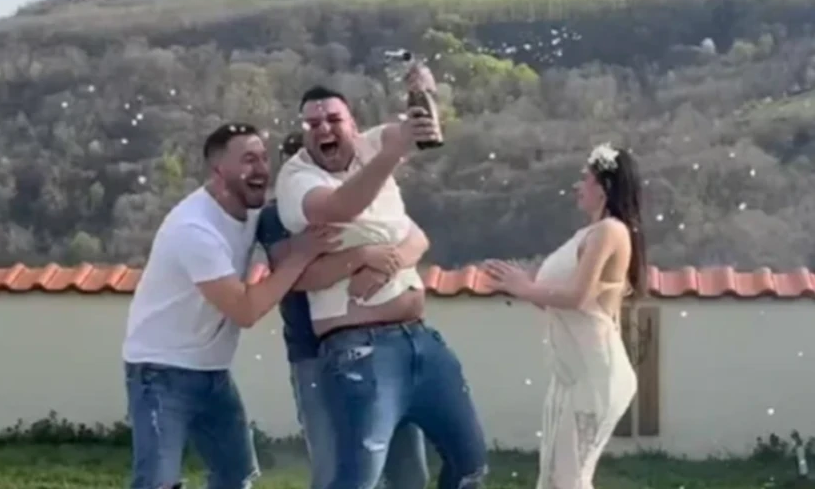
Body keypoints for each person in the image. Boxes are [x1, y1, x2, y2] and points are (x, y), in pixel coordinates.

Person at [273, 79, 488, 489]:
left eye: (333, 119)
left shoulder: (371, 149)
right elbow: (338, 208)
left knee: (470, 463)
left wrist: (421, 107)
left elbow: (417, 236)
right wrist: (391, 157)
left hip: (421, 340)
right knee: (358, 478)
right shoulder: (296, 178)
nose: (323, 128)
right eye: (312, 123)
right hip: (359, 350)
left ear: (353, 125)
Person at [121, 123, 340, 489]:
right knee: (157, 482)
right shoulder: (194, 230)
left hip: (213, 370)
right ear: (219, 171)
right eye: (249, 160)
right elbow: (245, 311)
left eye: (263, 158)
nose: (262, 169)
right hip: (160, 371)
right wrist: (300, 256)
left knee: (234, 475)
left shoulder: (250, 212)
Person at [256, 132, 430, 489]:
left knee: (407, 468)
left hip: (388, 346)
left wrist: (384, 266)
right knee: (337, 468)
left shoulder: (360, 201)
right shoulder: (276, 216)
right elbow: (291, 277)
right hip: (314, 354)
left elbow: (417, 239)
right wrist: (362, 258)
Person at [482, 142, 645, 489]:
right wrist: (521, 287)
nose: (577, 186)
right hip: (571, 375)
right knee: (556, 479)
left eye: (585, 178)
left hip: (595, 375)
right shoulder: (587, 234)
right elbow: (561, 302)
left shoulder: (611, 231)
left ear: (604, 187)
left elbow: (577, 297)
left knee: (571, 479)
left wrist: (524, 287)